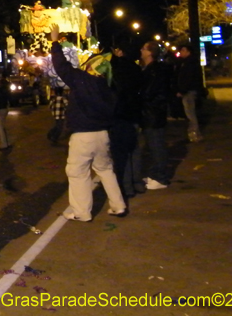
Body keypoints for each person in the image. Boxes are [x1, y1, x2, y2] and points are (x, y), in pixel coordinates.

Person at [49, 23, 127, 221]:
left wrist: (55, 41)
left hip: (82, 135)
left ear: (92, 66)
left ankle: (82, 212)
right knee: (106, 169)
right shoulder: (108, 87)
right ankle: (118, 205)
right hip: (103, 134)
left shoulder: (82, 80)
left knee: (77, 173)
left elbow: (61, 66)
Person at [109, 44, 144, 198]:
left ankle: (127, 186)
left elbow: (114, 92)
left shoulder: (115, 70)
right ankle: (137, 182)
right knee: (134, 150)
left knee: (122, 153)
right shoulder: (136, 69)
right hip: (134, 113)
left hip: (120, 115)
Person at [138, 41, 171, 190]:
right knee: (153, 145)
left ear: (150, 53)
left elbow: (150, 92)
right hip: (151, 112)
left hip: (153, 112)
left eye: (144, 48)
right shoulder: (151, 69)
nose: (141, 50)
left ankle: (161, 178)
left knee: (156, 145)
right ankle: (155, 174)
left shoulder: (154, 70)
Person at [176, 44, 205, 143]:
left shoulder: (189, 63)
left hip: (189, 91)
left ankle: (194, 133)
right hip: (191, 90)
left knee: (190, 113)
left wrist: (182, 90)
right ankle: (194, 133)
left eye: (183, 50)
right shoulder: (189, 62)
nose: (181, 52)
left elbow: (188, 78)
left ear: (188, 51)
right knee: (191, 112)